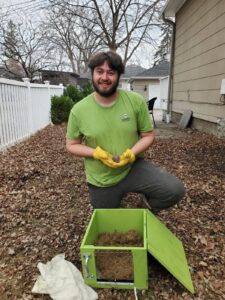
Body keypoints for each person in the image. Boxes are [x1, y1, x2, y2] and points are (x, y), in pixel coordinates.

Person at [66, 51, 185, 211]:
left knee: (174, 190)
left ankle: (144, 208)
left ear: (119, 75)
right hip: (101, 178)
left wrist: (131, 153)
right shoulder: (79, 110)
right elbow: (72, 144)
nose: (105, 77)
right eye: (99, 71)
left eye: (111, 72)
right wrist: (96, 153)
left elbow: (148, 136)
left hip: (132, 167)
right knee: (108, 224)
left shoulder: (135, 101)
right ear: (92, 73)